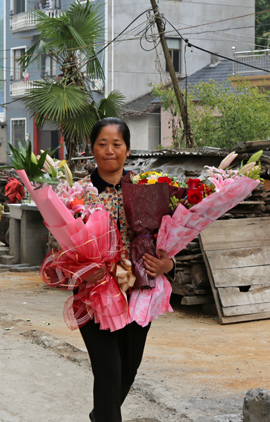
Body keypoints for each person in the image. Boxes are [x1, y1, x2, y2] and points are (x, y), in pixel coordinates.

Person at [78, 118, 174, 422]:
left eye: (116, 144)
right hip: (94, 294)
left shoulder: (146, 189)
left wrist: (167, 263)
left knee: (129, 368)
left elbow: (169, 240)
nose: (109, 150)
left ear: (127, 149)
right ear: (91, 149)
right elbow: (61, 246)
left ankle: (101, 416)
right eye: (102, 144)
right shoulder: (78, 193)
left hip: (137, 290)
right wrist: (82, 269)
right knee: (109, 370)